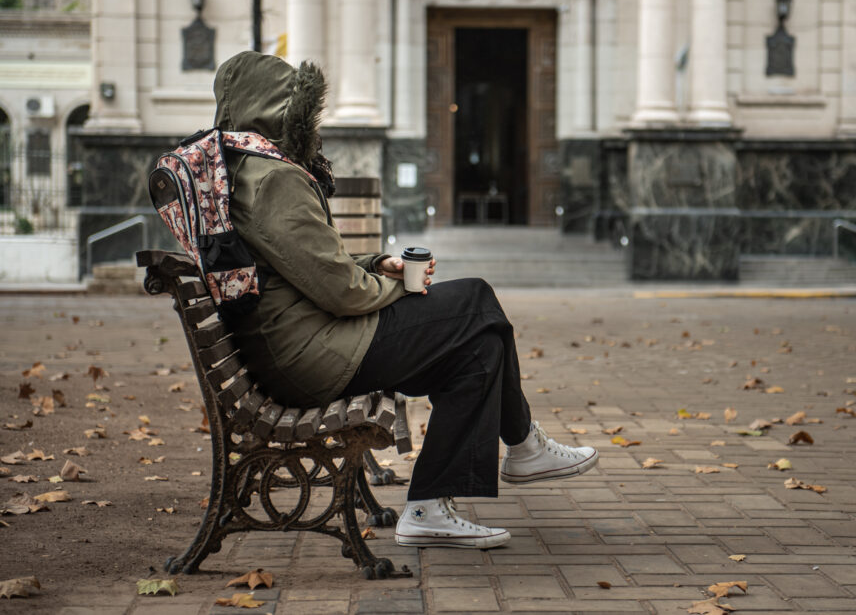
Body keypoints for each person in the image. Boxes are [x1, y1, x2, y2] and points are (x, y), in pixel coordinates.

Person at [213, 51, 598, 549]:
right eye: (298, 107)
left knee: (480, 351)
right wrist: (401, 285)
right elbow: (341, 292)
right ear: (277, 109)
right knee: (476, 301)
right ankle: (523, 445)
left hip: (296, 346)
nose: (310, 122)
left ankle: (429, 506)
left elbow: (311, 266)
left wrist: (376, 265)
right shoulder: (273, 178)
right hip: (311, 354)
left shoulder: (242, 169)